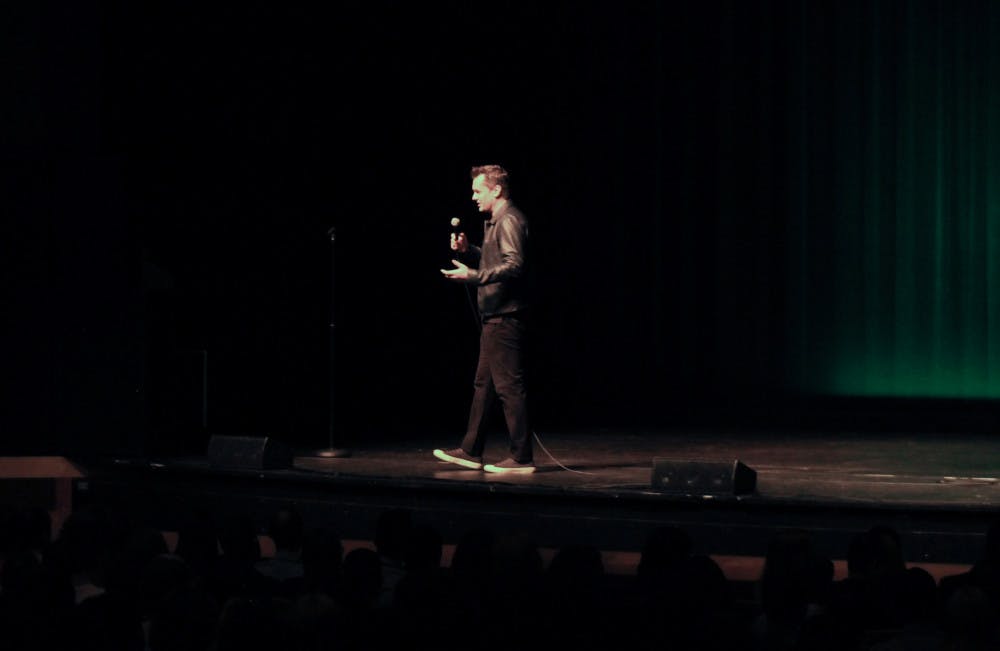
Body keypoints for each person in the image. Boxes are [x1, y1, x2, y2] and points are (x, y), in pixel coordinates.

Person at [436, 164, 534, 474]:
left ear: (496, 190)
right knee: (484, 385)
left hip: (505, 316)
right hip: (494, 317)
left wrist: (473, 276)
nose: (473, 196)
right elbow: (496, 260)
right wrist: (471, 250)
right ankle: (471, 450)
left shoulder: (510, 220)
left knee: (509, 387)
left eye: (478, 190)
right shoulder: (495, 221)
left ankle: (522, 457)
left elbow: (514, 265)